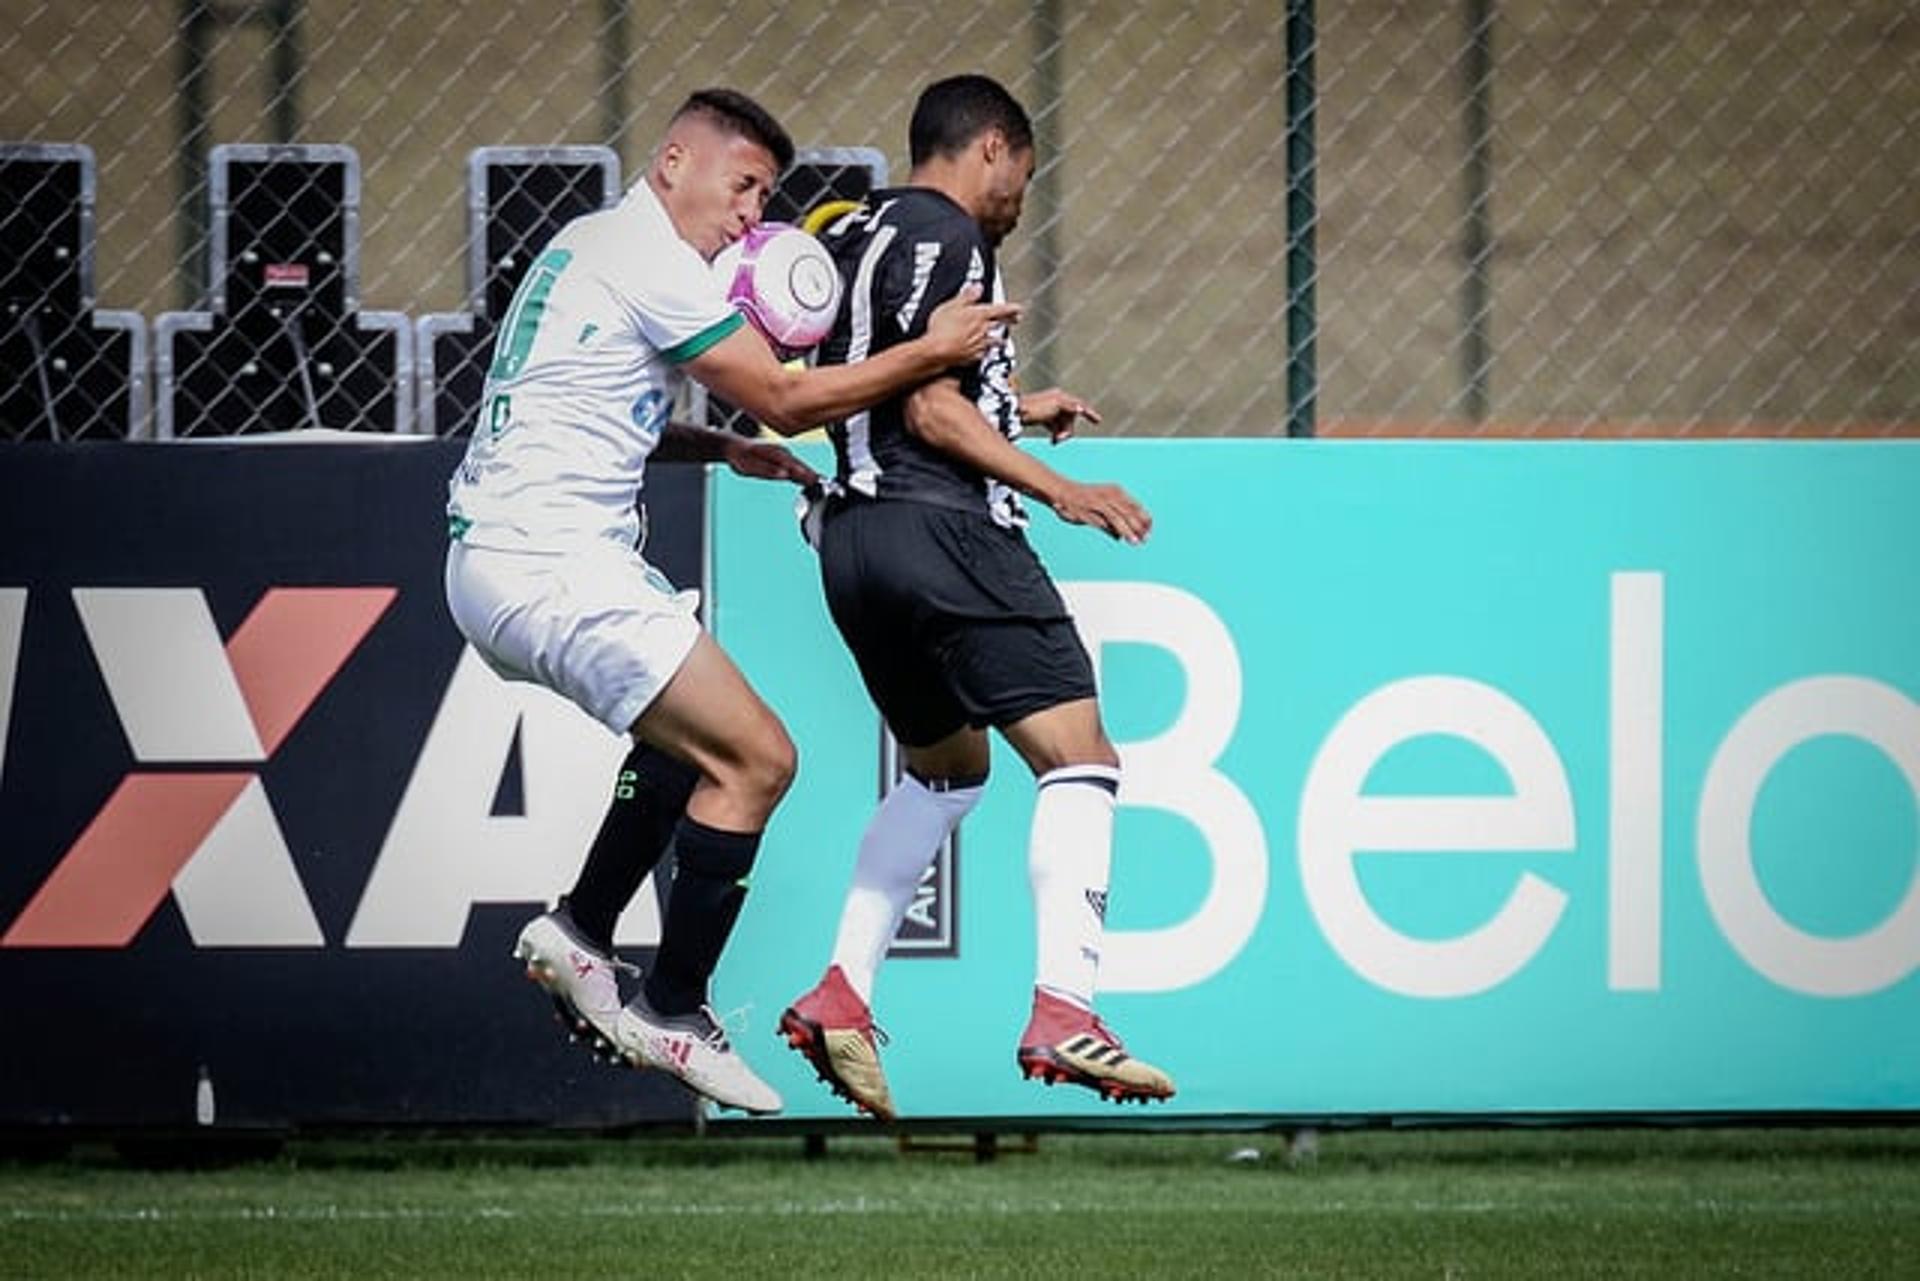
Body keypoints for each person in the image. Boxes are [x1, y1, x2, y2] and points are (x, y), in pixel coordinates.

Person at [443, 87, 1020, 1115]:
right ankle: (674, 1007)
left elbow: (579, 402)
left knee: (684, 746)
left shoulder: (586, 245)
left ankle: (579, 934)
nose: (754, 213)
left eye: (766, 194)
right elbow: (791, 395)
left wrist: (716, 445)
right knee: (760, 759)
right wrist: (933, 353)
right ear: (674, 163)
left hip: (498, 557)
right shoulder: (654, 261)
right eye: (742, 184)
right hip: (553, 560)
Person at [775, 74, 1175, 1120]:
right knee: (1080, 756)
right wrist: (1062, 488)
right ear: (990, 148)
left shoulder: (854, 231)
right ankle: (1063, 1009)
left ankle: (841, 992)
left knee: (950, 772)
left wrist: (1019, 406)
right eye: (1024, 177)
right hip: (942, 531)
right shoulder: (951, 234)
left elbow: (889, 383)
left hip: (851, 546)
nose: (1020, 201)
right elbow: (931, 409)